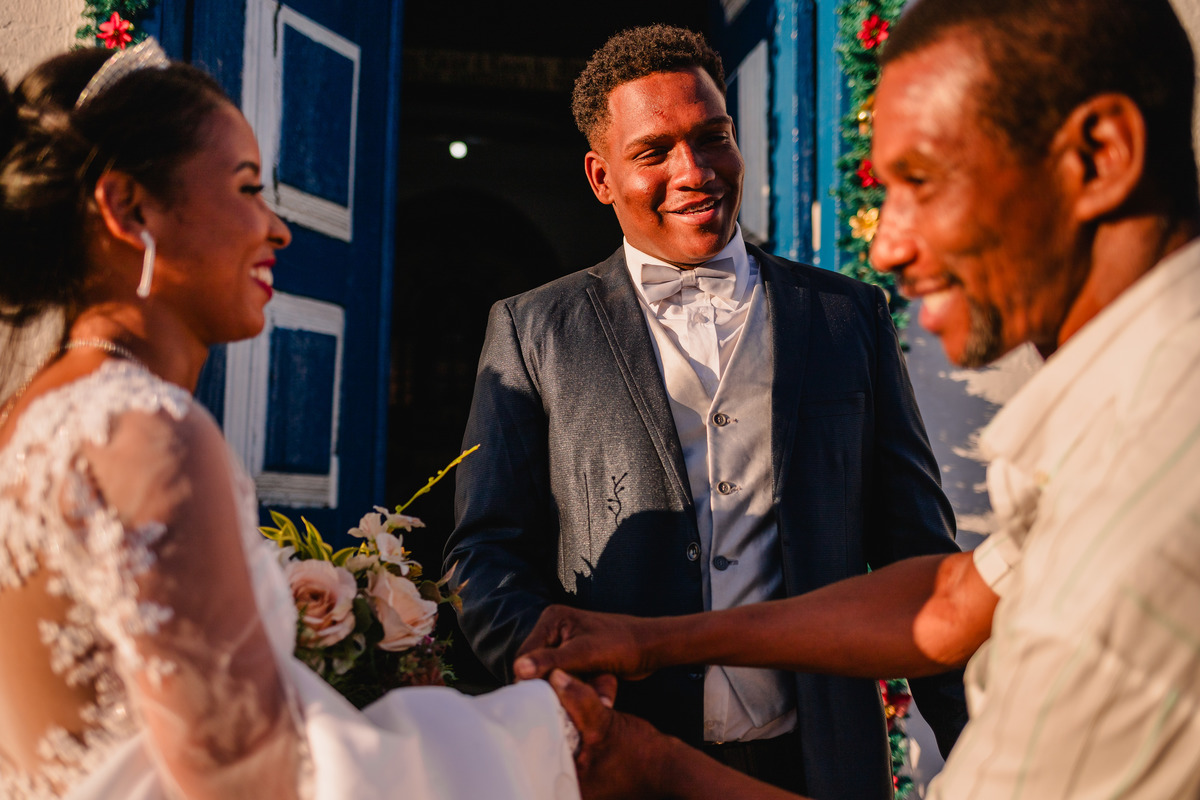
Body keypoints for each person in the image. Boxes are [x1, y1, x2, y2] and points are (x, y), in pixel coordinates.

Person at [517, 0, 1200, 798]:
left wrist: (655, 767)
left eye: (922, 181)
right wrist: (653, 643)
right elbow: (951, 600)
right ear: (601, 176)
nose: (887, 244)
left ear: (1099, 155)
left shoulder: (1144, 514)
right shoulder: (1130, 417)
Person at [0, 41, 580, 800]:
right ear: (129, 208)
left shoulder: (30, 417)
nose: (277, 229)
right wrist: (543, 733)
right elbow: (257, 776)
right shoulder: (146, 429)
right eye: (247, 188)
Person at [445, 23, 966, 798]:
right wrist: (555, 667)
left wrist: (986, 748)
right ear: (600, 177)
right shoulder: (533, 331)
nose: (694, 171)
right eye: (654, 151)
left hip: (824, 763)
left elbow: (916, 553)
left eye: (712, 137)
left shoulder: (846, 316)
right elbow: (485, 554)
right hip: (624, 756)